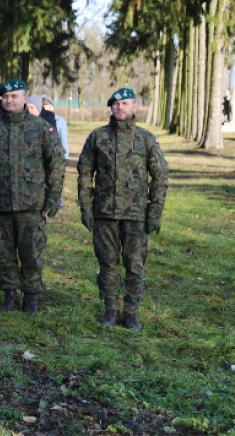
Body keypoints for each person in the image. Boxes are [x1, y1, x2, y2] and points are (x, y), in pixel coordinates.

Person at [0, 79, 65, 314]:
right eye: (5, 97)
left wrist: (54, 196)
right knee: (3, 252)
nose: (9, 100)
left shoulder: (41, 128)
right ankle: (9, 293)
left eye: (14, 96)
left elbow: (56, 163)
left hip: (31, 203)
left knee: (31, 252)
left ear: (25, 98)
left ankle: (31, 296)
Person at [77, 88, 169, 331]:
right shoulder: (97, 137)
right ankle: (110, 308)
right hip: (104, 212)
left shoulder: (145, 139)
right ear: (111, 107)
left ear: (134, 107)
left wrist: (155, 212)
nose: (120, 107)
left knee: (135, 265)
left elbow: (160, 176)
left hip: (136, 215)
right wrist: (86, 207)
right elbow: (85, 172)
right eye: (116, 104)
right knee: (107, 263)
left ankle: (131, 312)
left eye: (125, 103)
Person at [41, 96, 70, 160]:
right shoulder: (37, 119)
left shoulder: (60, 120)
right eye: (42, 105)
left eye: (45, 105)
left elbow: (63, 140)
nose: (43, 107)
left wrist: (65, 157)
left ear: (51, 107)